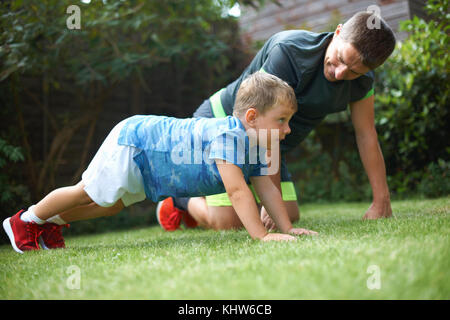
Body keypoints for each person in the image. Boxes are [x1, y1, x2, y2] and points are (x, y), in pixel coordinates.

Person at [2, 72, 318, 254]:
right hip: (137, 144)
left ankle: (48, 224)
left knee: (111, 205)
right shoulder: (229, 136)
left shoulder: (262, 145)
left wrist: (288, 227)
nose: (288, 130)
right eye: (281, 120)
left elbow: (267, 190)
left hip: (151, 169)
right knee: (87, 191)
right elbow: (238, 192)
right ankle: (25, 220)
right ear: (252, 117)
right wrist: (261, 237)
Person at [155, 11, 397, 232]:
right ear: (337, 32)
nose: (340, 74)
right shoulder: (289, 51)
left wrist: (381, 200)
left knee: (288, 214)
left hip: (268, 142)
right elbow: (263, 122)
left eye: (354, 71)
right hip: (224, 124)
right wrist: (272, 202)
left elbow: (366, 134)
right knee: (230, 222)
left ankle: (200, 205)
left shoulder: (362, 82)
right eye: (341, 59)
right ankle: (179, 200)